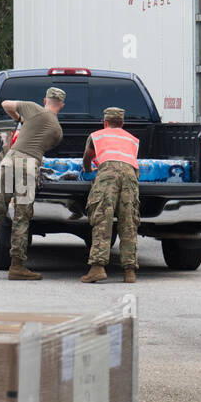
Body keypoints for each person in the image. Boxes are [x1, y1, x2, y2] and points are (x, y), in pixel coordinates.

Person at [0, 86, 65, 280]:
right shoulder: (58, 131)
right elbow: (46, 146)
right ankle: (17, 266)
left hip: (10, 161)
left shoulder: (34, 108)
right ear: (62, 105)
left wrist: (20, 119)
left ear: (45, 100)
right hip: (29, 166)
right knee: (22, 215)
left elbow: (5, 104)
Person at [81, 106, 140, 284]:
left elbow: (87, 156)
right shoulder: (132, 139)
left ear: (104, 122)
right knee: (129, 222)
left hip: (107, 175)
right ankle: (130, 272)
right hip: (130, 176)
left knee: (102, 220)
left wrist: (87, 169)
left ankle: (97, 268)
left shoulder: (97, 135)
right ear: (122, 123)